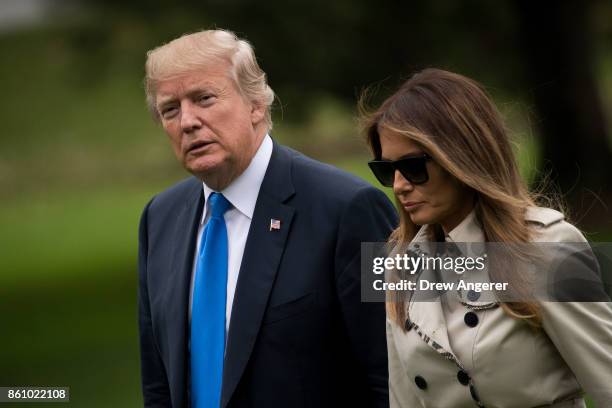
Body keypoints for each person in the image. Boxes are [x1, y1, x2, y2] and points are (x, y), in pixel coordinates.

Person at [138, 29, 397, 408]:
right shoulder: (159, 218)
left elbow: (391, 378)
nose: (187, 121)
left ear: (256, 103)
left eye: (204, 98)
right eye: (170, 110)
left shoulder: (349, 209)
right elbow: (159, 386)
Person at [361, 68, 612, 407]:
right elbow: (403, 399)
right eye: (387, 171)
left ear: (462, 157)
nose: (400, 185)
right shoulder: (399, 263)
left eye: (414, 166)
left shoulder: (546, 248)